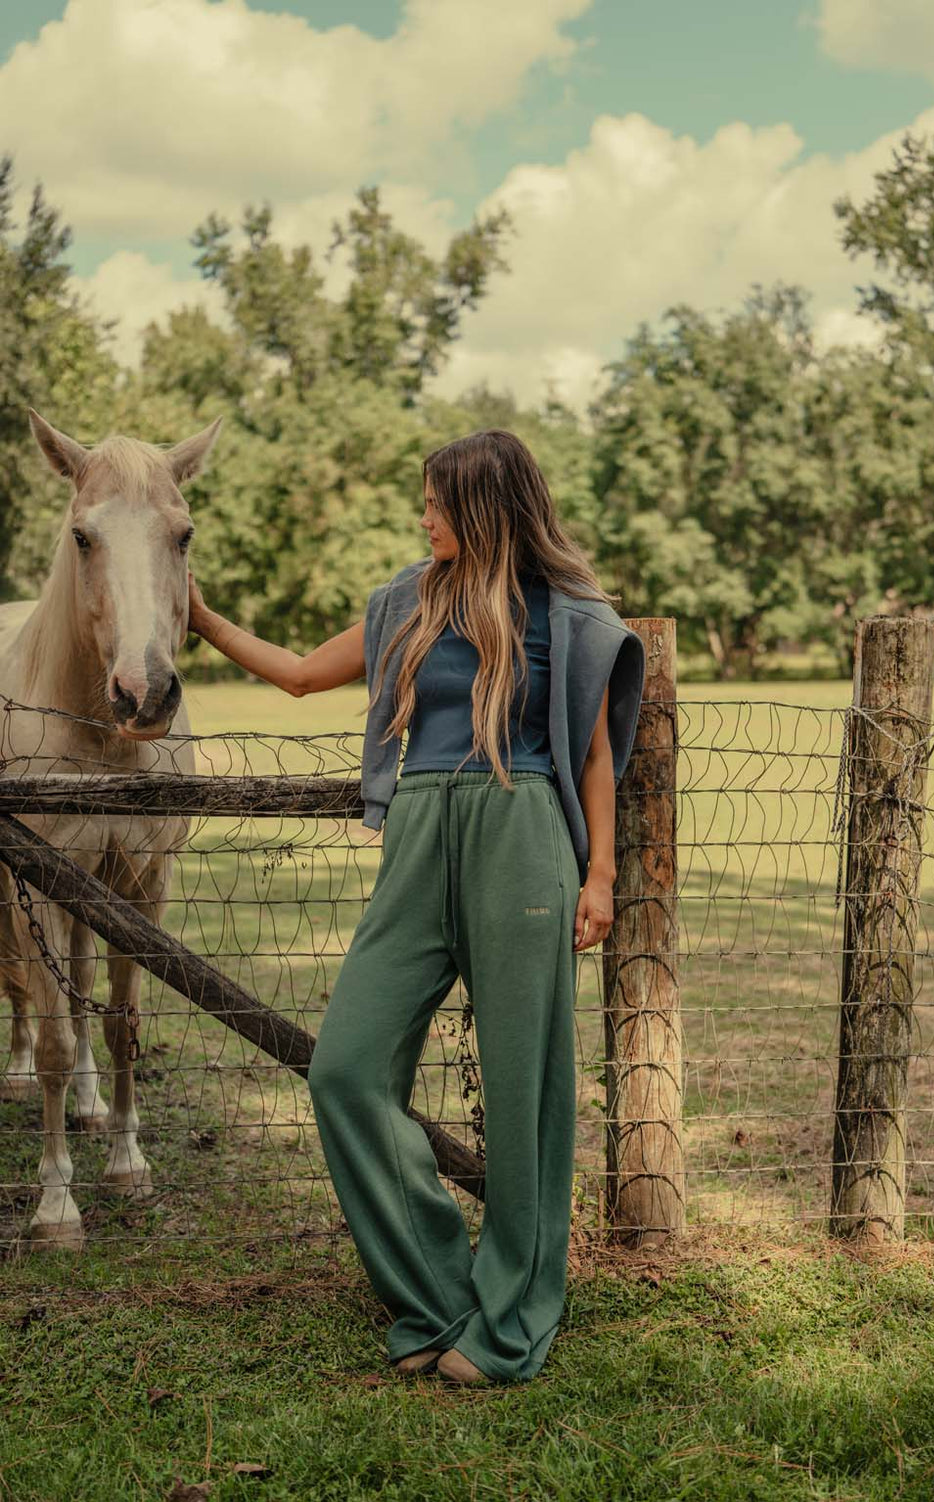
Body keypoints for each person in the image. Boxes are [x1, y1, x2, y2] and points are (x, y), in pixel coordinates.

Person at [187, 428, 645, 1385]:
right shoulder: (406, 601)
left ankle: (513, 1321)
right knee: (346, 1069)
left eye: (437, 501)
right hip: (418, 833)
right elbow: (305, 673)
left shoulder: (566, 613)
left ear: (482, 507)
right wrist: (202, 618)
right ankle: (437, 1296)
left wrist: (600, 874)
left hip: (522, 836)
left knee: (524, 1091)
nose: (423, 514)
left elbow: (596, 751)